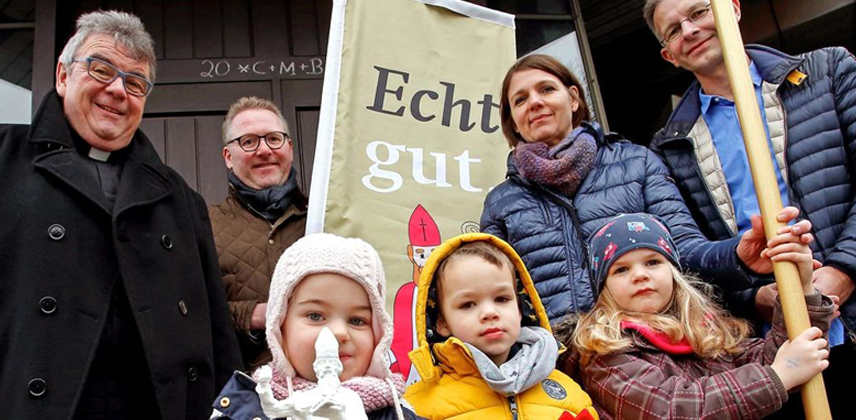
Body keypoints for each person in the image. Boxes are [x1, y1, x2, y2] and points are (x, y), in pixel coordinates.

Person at [0, 10, 241, 419]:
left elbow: (216, 328)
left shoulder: (180, 197)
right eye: (100, 69)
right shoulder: (5, 160)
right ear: (63, 75)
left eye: (134, 82)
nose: (117, 90)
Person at [480, 53, 810, 326]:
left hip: (653, 353)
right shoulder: (501, 203)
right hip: (563, 372)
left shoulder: (637, 163)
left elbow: (684, 252)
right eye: (520, 100)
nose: (534, 102)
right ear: (513, 120)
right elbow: (502, 297)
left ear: (574, 97)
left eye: (546, 89)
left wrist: (738, 256)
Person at [643, 0, 856, 416]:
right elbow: (689, 255)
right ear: (669, 54)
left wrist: (845, 271)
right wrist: (752, 296)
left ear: (732, 9)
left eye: (699, 12)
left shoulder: (828, 72)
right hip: (775, 350)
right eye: (673, 30)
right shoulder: (672, 144)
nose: (689, 30)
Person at [566, 212, 832, 419]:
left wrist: (803, 288)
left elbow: (780, 358)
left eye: (653, 262)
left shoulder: (704, 331)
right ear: (604, 288)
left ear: (674, 273)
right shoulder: (603, 352)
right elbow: (670, 410)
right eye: (621, 269)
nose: (640, 274)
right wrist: (778, 376)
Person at [210, 233, 421, 420]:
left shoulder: (399, 413)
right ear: (280, 327)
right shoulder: (243, 410)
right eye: (315, 316)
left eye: (357, 320)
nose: (338, 332)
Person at [404, 233, 598, 419]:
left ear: (521, 308)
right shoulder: (418, 406)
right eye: (468, 304)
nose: (490, 312)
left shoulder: (570, 394)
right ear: (442, 323)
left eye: (502, 299)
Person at [209, 96, 307, 370]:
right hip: (245, 397)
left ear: (289, 147)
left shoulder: (324, 217)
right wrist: (251, 315)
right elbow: (187, 310)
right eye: (248, 141)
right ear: (228, 157)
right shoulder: (203, 225)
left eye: (273, 139)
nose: (264, 150)